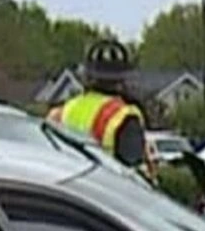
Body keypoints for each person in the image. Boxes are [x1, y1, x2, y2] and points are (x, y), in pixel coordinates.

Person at [48, 39, 151, 172]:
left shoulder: (63, 111)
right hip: (107, 188)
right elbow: (134, 171)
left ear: (86, 76)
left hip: (67, 187)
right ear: (123, 79)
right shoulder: (125, 116)